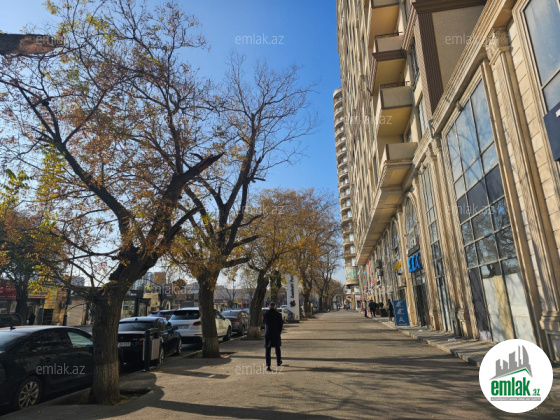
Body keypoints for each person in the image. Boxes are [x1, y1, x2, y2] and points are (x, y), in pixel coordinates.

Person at [263, 302, 283, 371]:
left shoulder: (266, 314)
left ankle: (268, 365)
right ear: (275, 306)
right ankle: (278, 361)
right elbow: (281, 325)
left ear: (269, 306)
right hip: (276, 333)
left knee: (267, 349)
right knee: (277, 348)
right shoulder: (278, 314)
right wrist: (279, 332)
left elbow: (263, 323)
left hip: (268, 333)